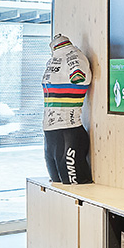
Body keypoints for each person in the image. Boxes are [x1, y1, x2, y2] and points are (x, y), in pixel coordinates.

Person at [42, 34, 93, 184]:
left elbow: (79, 77)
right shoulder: (51, 60)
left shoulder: (74, 56)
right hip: (50, 134)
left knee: (76, 187)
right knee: (57, 186)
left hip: (68, 132)